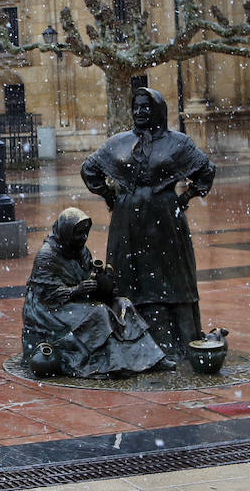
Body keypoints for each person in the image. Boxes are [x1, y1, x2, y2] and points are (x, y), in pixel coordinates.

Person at [81, 88, 215, 361]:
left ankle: (177, 338)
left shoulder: (177, 143)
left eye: (146, 107)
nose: (140, 112)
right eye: (137, 107)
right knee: (128, 275)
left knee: (171, 274)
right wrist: (110, 196)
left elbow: (206, 170)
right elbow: (89, 169)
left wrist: (185, 197)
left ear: (158, 112)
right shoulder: (119, 143)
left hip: (165, 218)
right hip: (127, 219)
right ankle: (130, 335)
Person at [22, 207, 168, 377]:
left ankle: (152, 357)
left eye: (85, 232)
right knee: (99, 312)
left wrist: (102, 282)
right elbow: (46, 295)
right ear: (66, 232)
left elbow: (88, 276)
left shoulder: (81, 251)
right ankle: (113, 363)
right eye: (78, 233)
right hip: (49, 310)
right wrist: (75, 290)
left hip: (78, 299)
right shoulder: (47, 256)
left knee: (123, 304)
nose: (83, 237)